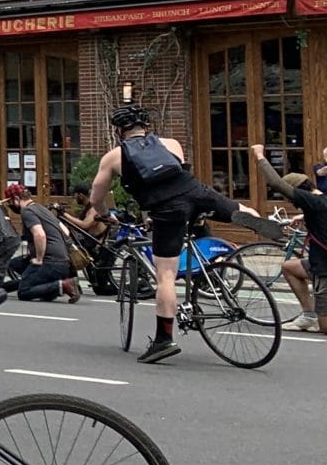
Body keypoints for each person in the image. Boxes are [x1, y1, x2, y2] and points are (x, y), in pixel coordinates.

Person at [88, 100, 256, 364]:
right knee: (236, 208)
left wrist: (105, 213)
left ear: (119, 131)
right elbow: (179, 172)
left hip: (167, 209)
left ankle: (164, 340)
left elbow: (96, 196)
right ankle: (259, 221)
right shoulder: (171, 143)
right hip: (196, 193)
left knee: (165, 275)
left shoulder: (113, 157)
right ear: (146, 126)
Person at [251, 143, 327, 333]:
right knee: (289, 267)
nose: (291, 202)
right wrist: (303, 217)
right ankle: (309, 316)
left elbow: (277, 183)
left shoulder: (312, 202)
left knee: (325, 328)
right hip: (318, 263)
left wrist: (260, 156)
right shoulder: (319, 200)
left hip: (325, 270)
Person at [3, 184, 80, 303]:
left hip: (51, 262)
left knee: (24, 291)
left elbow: (40, 235)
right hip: (63, 262)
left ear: (17, 199)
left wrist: (39, 259)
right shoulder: (41, 208)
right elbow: (66, 231)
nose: (11, 206)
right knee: (15, 264)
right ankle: (48, 285)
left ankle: (64, 285)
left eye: (11, 202)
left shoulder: (27, 211)